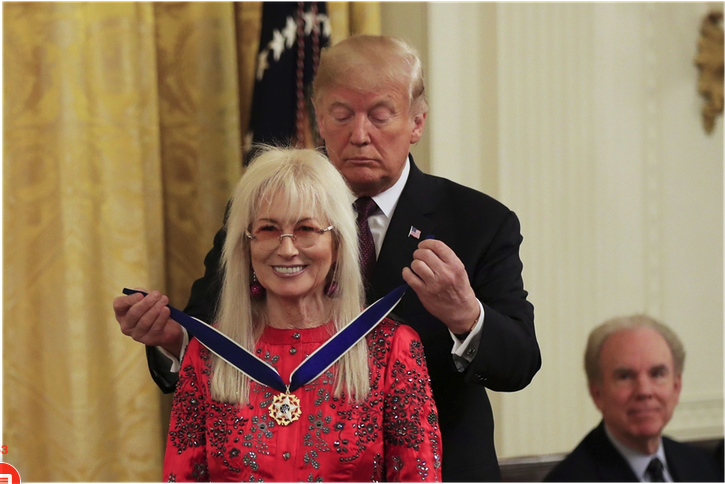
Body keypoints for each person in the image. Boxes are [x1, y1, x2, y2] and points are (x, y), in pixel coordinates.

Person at [115, 35, 541, 481]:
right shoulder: (266, 210)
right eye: (341, 115)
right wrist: (171, 338)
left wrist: (466, 316)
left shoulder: (477, 221)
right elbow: (216, 330)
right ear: (319, 119)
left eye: (380, 116)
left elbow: (520, 365)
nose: (359, 135)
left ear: (417, 122)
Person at [161, 146, 442, 481]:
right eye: (268, 229)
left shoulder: (391, 349)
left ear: (337, 244)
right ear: (246, 246)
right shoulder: (209, 353)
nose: (287, 248)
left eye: (306, 229)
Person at [544, 314, 722, 482]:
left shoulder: (703, 464)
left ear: (676, 386)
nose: (644, 391)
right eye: (625, 377)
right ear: (597, 393)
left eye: (657, 374)